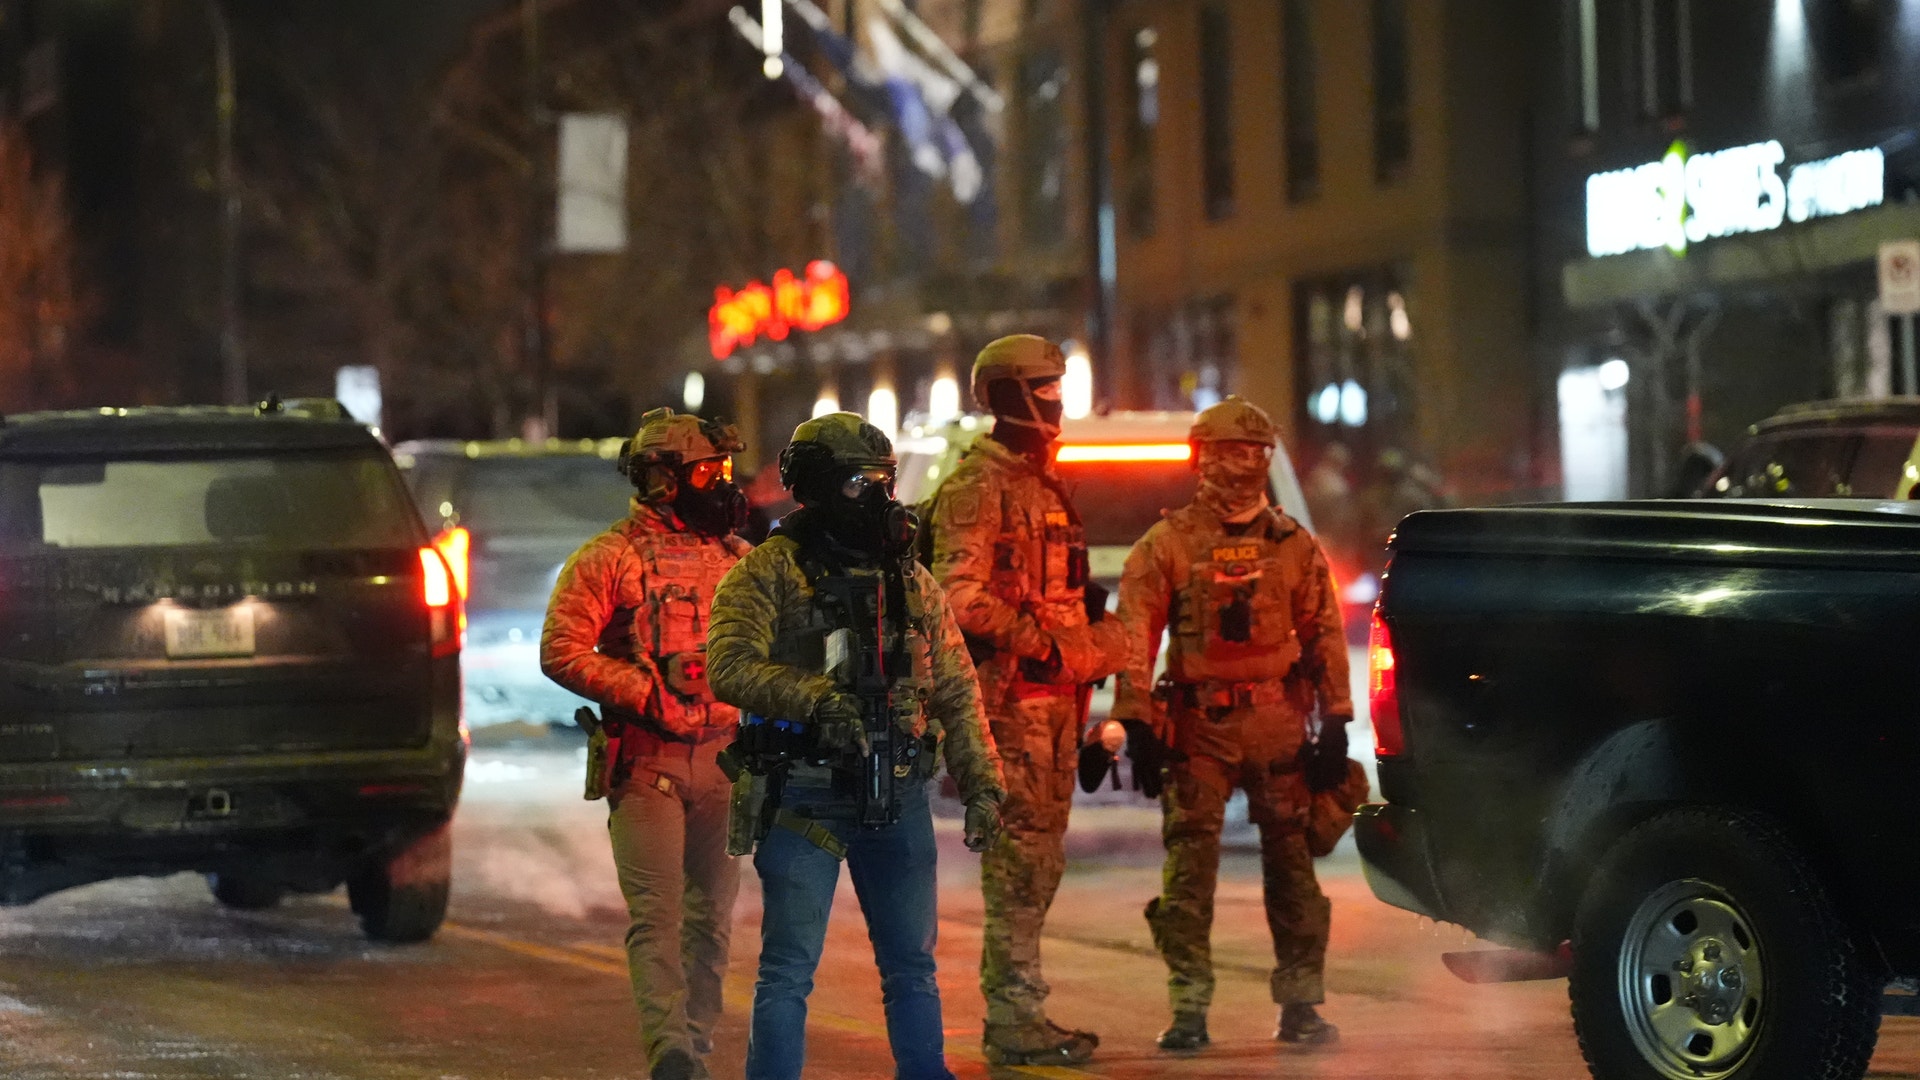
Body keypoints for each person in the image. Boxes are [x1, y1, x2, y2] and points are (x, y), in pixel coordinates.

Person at [705, 412, 1006, 1080]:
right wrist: (815, 697)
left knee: (912, 966)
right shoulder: (768, 572)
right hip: (803, 797)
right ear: (814, 488)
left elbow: (957, 687)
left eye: (884, 482)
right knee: (787, 970)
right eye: (856, 484)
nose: (875, 498)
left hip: (897, 792)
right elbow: (726, 665)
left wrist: (983, 784)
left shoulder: (909, 578)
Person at [1111, 396, 1354, 1052]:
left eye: (1255, 453)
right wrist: (1135, 721)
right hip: (1200, 728)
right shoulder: (1167, 545)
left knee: (1294, 867)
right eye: (1231, 452)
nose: (1244, 465)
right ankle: (1189, 1008)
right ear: (1203, 458)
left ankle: (1300, 1005)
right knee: (1189, 872)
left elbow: (1325, 633)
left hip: (1278, 720)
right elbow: (1133, 636)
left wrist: (1335, 720)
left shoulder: (1293, 546)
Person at [924, 334, 1128, 1066]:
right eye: (1044, 388)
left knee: (1038, 864)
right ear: (1009, 396)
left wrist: (1080, 630)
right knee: (1020, 866)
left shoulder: (1040, 481)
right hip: (1012, 710)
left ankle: (1021, 1013)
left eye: (1058, 387)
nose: (1057, 402)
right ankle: (1013, 1022)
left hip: (1051, 711)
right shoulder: (982, 485)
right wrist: (1045, 642)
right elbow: (958, 594)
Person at [540, 408, 753, 1080]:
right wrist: (644, 692)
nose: (720, 485)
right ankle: (672, 1052)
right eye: (706, 472)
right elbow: (562, 650)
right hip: (647, 763)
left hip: (726, 762)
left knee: (712, 920)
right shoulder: (612, 558)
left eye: (721, 471)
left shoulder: (739, 559)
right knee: (657, 917)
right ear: (665, 477)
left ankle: (697, 1042)